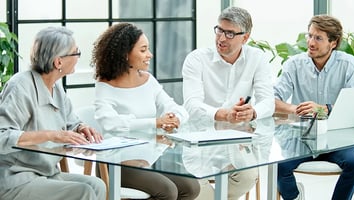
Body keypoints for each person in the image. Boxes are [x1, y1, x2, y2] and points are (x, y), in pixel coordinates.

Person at [91, 22, 200, 200]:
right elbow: (110, 123)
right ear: (125, 54)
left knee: (191, 187)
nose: (149, 55)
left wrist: (175, 118)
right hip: (117, 163)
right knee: (167, 192)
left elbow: (175, 107)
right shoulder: (105, 85)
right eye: (143, 50)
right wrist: (155, 122)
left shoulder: (149, 81)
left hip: (149, 157)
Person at [0, 26, 106, 200]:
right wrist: (51, 135)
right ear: (58, 62)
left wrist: (81, 128)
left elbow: (71, 122)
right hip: (17, 179)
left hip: (47, 173)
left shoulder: (56, 86)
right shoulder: (20, 86)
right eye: (75, 52)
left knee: (97, 185)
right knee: (83, 192)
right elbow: (2, 136)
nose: (79, 56)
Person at [182, 6, 275, 200]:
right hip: (200, 141)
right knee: (196, 189)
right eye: (220, 30)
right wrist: (222, 114)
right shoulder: (196, 59)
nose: (222, 38)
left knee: (249, 175)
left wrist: (253, 112)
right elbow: (191, 104)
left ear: (245, 37)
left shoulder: (257, 59)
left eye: (230, 33)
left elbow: (268, 101)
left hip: (237, 144)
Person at [274, 15, 354, 200]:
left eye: (318, 38)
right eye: (310, 36)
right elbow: (270, 100)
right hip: (301, 138)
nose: (311, 42)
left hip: (338, 139)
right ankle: (294, 197)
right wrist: (294, 109)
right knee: (279, 165)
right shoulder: (294, 64)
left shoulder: (350, 65)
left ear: (333, 42)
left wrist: (322, 109)